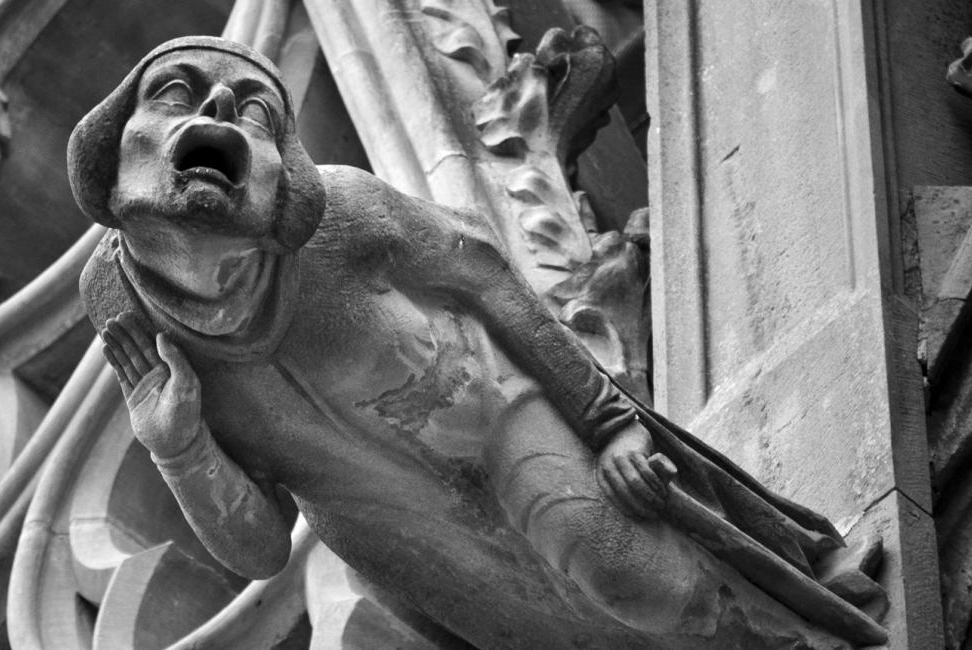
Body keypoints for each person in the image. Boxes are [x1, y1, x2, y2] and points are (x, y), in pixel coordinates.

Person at [71, 36, 882, 649]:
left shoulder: (343, 217)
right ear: (115, 146)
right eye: (176, 93)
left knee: (643, 579)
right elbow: (256, 550)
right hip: (394, 531)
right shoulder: (117, 299)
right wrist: (180, 452)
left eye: (254, 113)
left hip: (498, 419)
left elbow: (486, 275)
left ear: (284, 178)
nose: (215, 113)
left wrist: (608, 423)